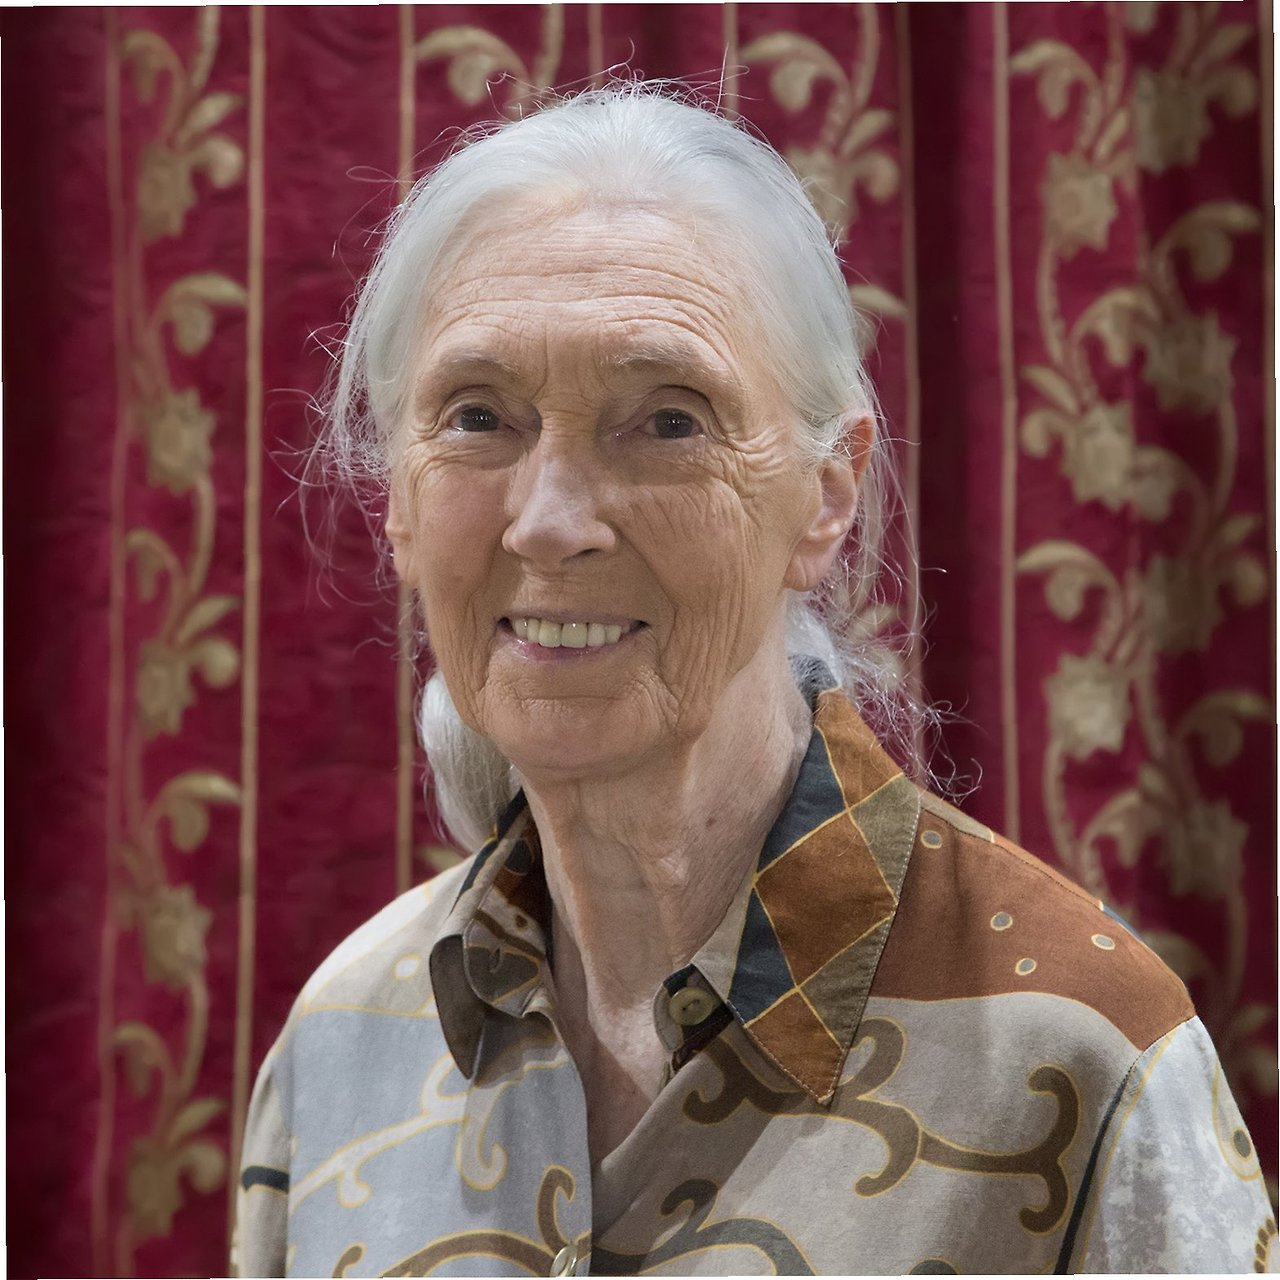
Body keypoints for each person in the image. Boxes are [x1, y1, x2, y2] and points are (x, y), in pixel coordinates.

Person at [235, 86, 1275, 1277]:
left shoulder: (1077, 1053)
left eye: (666, 421)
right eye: (478, 416)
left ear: (825, 496)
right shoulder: (344, 1041)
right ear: (399, 505)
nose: (550, 519)